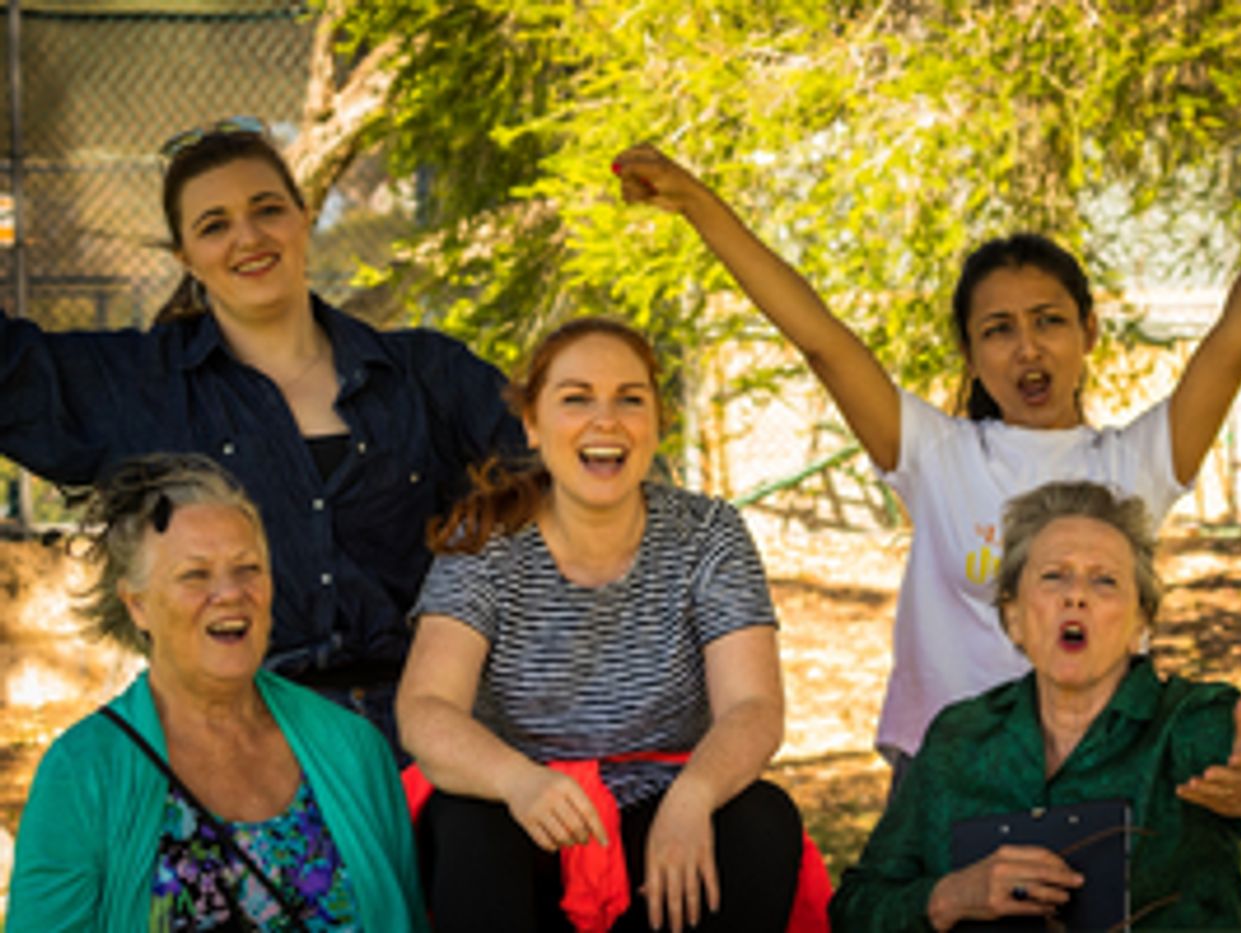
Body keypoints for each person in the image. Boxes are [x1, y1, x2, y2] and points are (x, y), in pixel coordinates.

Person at [612, 97, 1241, 782]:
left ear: (1089, 330)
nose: (1027, 349)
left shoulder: (1133, 465)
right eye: (999, 330)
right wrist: (696, 204)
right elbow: (822, 341)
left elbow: (1235, 343)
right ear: (972, 354)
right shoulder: (936, 455)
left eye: (1050, 321)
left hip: (1097, 777)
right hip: (947, 779)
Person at [0, 117, 521, 752]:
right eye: (213, 225)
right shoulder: (144, 385)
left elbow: (569, 479)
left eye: (266, 209)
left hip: (429, 733)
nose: (247, 237)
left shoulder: (426, 375)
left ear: (304, 218)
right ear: (184, 257)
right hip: (245, 745)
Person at [396, 317, 805, 932]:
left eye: (629, 399)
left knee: (761, 818)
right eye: (576, 398)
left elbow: (753, 706)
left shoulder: (709, 534)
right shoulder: (484, 540)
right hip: (525, 808)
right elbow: (426, 708)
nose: (605, 420)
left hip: (662, 806)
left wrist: (694, 795)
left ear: (656, 422)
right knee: (469, 824)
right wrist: (518, 782)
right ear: (532, 424)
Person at [827, 480, 1241, 931]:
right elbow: (855, 908)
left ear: (1141, 622)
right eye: (1054, 576)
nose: (1076, 596)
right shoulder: (959, 738)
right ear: (1014, 617)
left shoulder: (1190, 726)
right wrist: (948, 898)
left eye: (1104, 580)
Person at [7, 453, 429, 931]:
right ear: (137, 605)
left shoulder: (354, 750)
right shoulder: (83, 773)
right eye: (195, 574)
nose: (230, 593)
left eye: (248, 568)